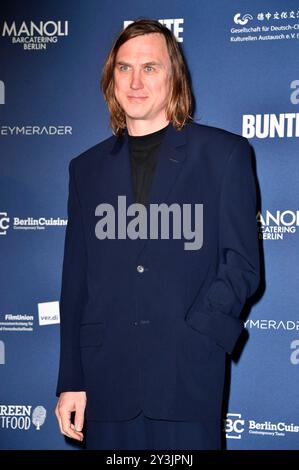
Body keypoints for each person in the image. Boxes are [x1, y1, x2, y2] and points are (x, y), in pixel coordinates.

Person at [55, 18, 260, 450]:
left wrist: (201, 334)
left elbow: (241, 265)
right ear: (111, 80)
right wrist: (70, 380)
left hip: (188, 379)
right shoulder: (85, 170)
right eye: (124, 68)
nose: (135, 80)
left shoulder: (224, 156)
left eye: (150, 67)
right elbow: (75, 282)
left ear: (174, 77)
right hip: (106, 382)